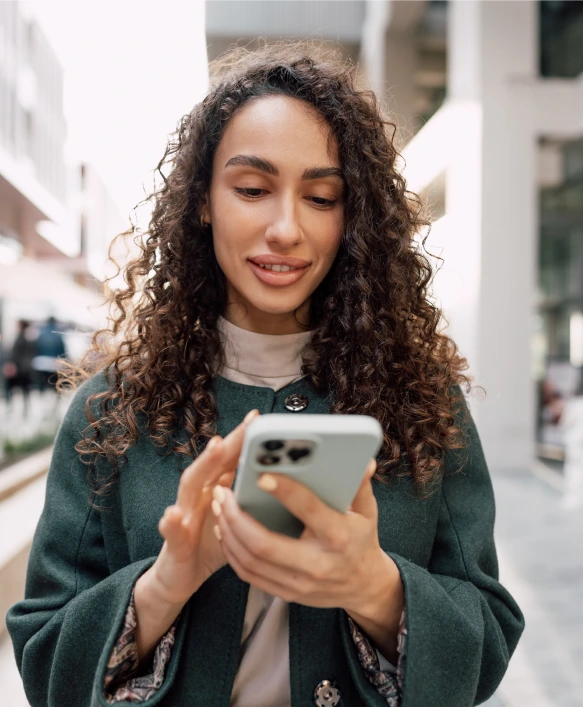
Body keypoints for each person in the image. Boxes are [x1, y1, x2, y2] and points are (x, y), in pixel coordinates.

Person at [5, 42, 524, 709]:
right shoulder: (113, 409)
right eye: (252, 189)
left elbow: (486, 640)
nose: (285, 227)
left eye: (321, 196)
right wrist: (169, 578)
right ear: (202, 201)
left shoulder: (422, 402)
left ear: (351, 216)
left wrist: (372, 584)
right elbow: (45, 663)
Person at [3, 319, 36, 414]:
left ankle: (12, 408)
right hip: (24, 369)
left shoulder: (21, 338)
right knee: (24, 391)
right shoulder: (28, 337)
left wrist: (12, 365)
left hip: (19, 369)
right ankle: (23, 409)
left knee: (13, 389)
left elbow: (15, 354)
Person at [32, 315, 67, 392]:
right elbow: (62, 349)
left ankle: (43, 392)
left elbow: (36, 347)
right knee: (54, 381)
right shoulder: (58, 333)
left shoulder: (42, 333)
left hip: (42, 361)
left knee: (43, 380)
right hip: (54, 361)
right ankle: (54, 394)